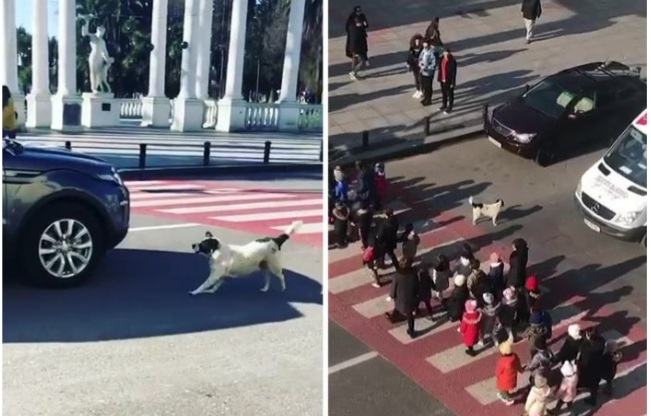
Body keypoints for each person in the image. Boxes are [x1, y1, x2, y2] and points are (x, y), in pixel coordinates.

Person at [386, 258, 420, 338]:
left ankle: (394, 317)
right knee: (410, 315)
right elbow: (417, 284)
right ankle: (411, 331)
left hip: (400, 297)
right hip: (411, 297)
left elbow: (394, 287)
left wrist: (392, 295)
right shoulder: (413, 273)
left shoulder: (397, 275)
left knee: (398, 306)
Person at [577, 327, 606, 406]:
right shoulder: (601, 341)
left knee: (581, 378)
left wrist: (583, 336)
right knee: (594, 384)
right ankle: (593, 399)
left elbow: (584, 347)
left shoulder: (586, 346)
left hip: (587, 366)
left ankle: (577, 389)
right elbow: (589, 341)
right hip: (597, 366)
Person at [495, 340, 523, 406]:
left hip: (503, 379)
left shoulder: (502, 361)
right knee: (506, 388)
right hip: (512, 378)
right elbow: (518, 365)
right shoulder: (515, 356)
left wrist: (497, 375)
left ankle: (506, 398)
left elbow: (498, 371)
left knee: (503, 389)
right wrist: (521, 370)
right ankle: (506, 395)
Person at [417, 38, 437, 106]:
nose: (425, 47)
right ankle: (425, 98)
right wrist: (420, 64)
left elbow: (433, 64)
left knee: (428, 87)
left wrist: (427, 68)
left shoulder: (431, 52)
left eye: (426, 46)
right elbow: (420, 58)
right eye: (424, 46)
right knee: (424, 86)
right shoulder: (423, 50)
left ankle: (429, 99)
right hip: (423, 72)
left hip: (429, 73)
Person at [437, 48, 457, 114]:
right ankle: (444, 105)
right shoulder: (441, 59)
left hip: (449, 80)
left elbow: (454, 73)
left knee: (450, 94)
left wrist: (453, 83)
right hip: (442, 79)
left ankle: (450, 107)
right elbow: (440, 68)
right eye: (444, 52)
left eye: (447, 53)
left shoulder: (452, 61)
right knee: (444, 93)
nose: (445, 54)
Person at [406, 34, 424, 99]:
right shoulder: (412, 48)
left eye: (418, 41)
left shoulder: (422, 49)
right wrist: (408, 63)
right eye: (416, 41)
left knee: (420, 78)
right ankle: (418, 90)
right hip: (414, 66)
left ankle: (421, 90)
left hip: (420, 66)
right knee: (416, 78)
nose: (417, 43)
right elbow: (409, 56)